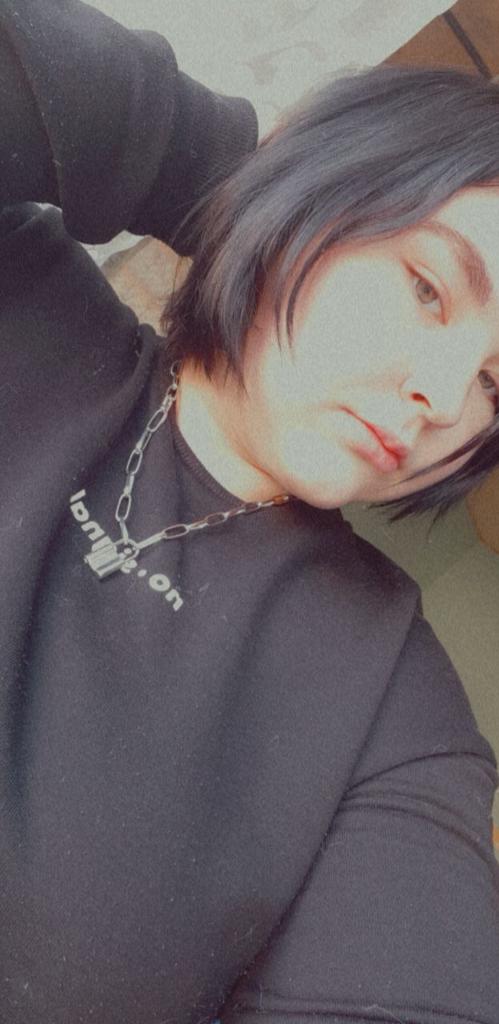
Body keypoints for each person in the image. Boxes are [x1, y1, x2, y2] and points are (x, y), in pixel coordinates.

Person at [0, 2, 498, 1023]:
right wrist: (236, 172)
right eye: (427, 287)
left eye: (495, 383)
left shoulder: (394, 723)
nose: (447, 398)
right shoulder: (21, 293)